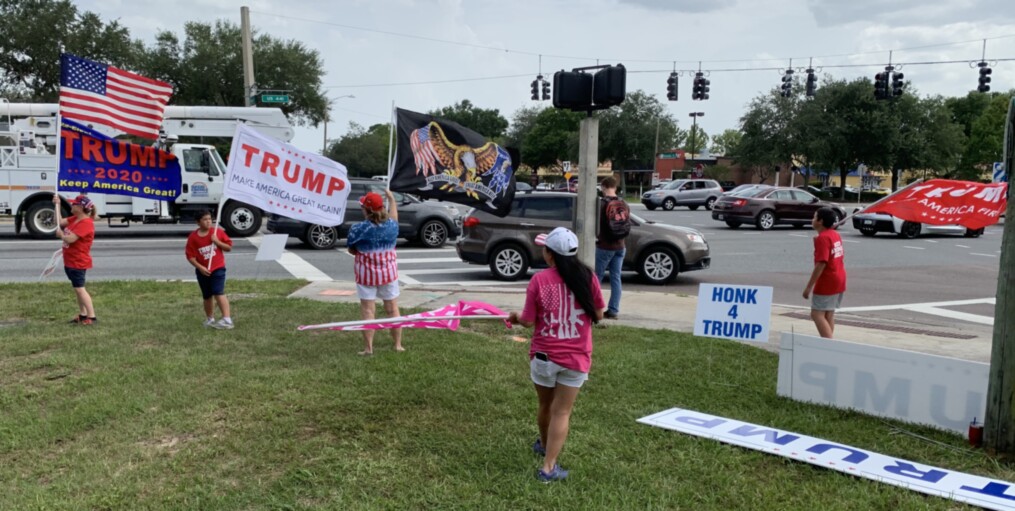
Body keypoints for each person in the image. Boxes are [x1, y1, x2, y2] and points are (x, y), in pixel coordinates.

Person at [508, 227, 605, 482]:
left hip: (543, 355)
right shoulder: (588, 277)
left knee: (545, 405)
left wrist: (515, 317)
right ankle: (549, 466)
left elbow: (527, 321)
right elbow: (599, 314)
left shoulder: (539, 280)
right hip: (576, 358)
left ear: (550, 254)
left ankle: (543, 445)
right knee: (562, 412)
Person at [347, 189, 403, 355]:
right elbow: (394, 217)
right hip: (388, 274)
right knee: (392, 308)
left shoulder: (358, 229)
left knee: (368, 310)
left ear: (367, 210)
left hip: (366, 276)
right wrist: (392, 199)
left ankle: (368, 348)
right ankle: (398, 345)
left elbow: (352, 250)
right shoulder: (392, 227)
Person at [185, 210, 234, 329]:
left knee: (218, 292)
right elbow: (190, 256)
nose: (208, 221)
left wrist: (217, 242)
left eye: (209, 219)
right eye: (205, 219)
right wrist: (200, 268)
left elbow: (228, 247)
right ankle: (210, 319)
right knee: (207, 295)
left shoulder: (217, 232)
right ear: (198, 222)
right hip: (203, 271)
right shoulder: (193, 237)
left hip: (218, 268)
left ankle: (227, 319)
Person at [802, 207, 846, 338]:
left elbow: (821, 263)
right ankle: (828, 342)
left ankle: (828, 344)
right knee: (828, 314)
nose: (813, 219)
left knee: (816, 313)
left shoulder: (823, 238)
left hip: (828, 281)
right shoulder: (834, 234)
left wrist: (808, 287)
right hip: (839, 277)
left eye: (815, 217)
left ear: (820, 221)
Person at [54, 194, 97, 325]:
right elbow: (60, 222)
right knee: (77, 288)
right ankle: (83, 314)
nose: (72, 205)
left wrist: (61, 234)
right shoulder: (75, 219)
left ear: (80, 207)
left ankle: (92, 316)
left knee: (80, 288)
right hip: (70, 260)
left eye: (74, 204)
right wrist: (57, 205)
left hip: (78, 261)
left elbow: (71, 239)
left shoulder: (86, 223)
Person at [594, 176, 630, 320]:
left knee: (596, 278)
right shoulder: (624, 203)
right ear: (615, 187)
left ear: (603, 187)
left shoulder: (601, 204)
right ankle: (613, 310)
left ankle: (594, 308)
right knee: (616, 278)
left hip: (605, 246)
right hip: (621, 246)